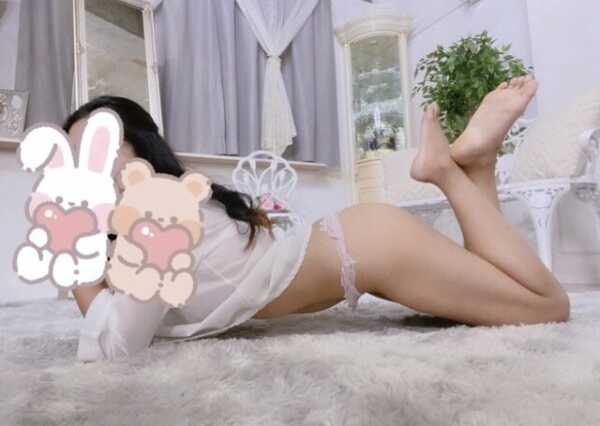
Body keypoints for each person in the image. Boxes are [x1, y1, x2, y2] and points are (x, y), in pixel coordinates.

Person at [64, 77, 570, 361]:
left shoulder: (153, 210)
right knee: (497, 289)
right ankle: (478, 163)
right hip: (363, 243)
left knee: (547, 305)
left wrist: (77, 267)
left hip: (369, 249)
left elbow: (120, 347)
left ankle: (444, 171)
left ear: (140, 148)